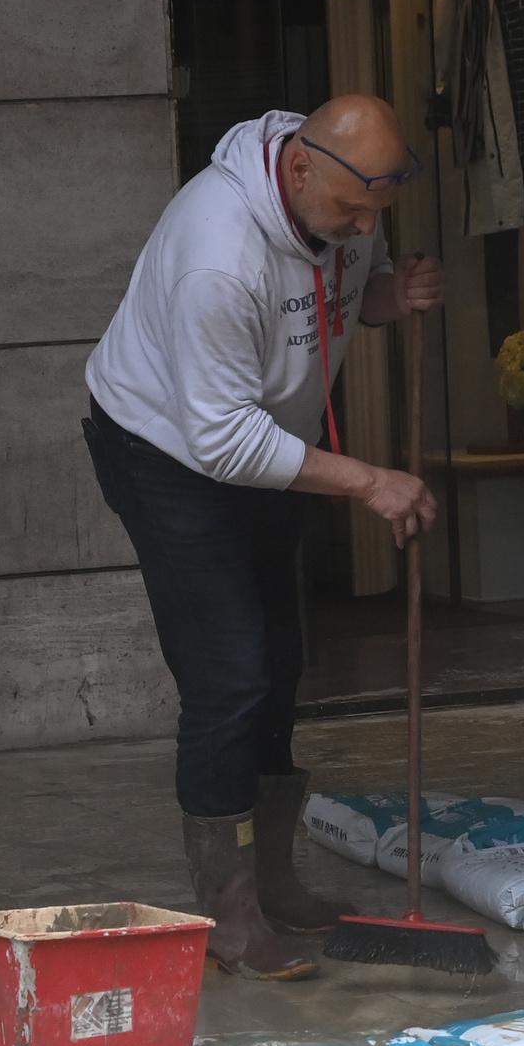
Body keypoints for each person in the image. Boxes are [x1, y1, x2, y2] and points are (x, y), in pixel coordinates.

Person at [82, 96, 444, 982]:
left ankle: (272, 882)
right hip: (166, 451)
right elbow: (221, 442)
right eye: (353, 212)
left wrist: (393, 296)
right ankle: (228, 913)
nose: (364, 229)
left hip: (266, 442)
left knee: (280, 660)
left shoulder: (344, 204)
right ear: (297, 170)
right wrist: (366, 479)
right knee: (229, 669)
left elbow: (350, 301)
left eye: (377, 216)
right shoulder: (218, 251)